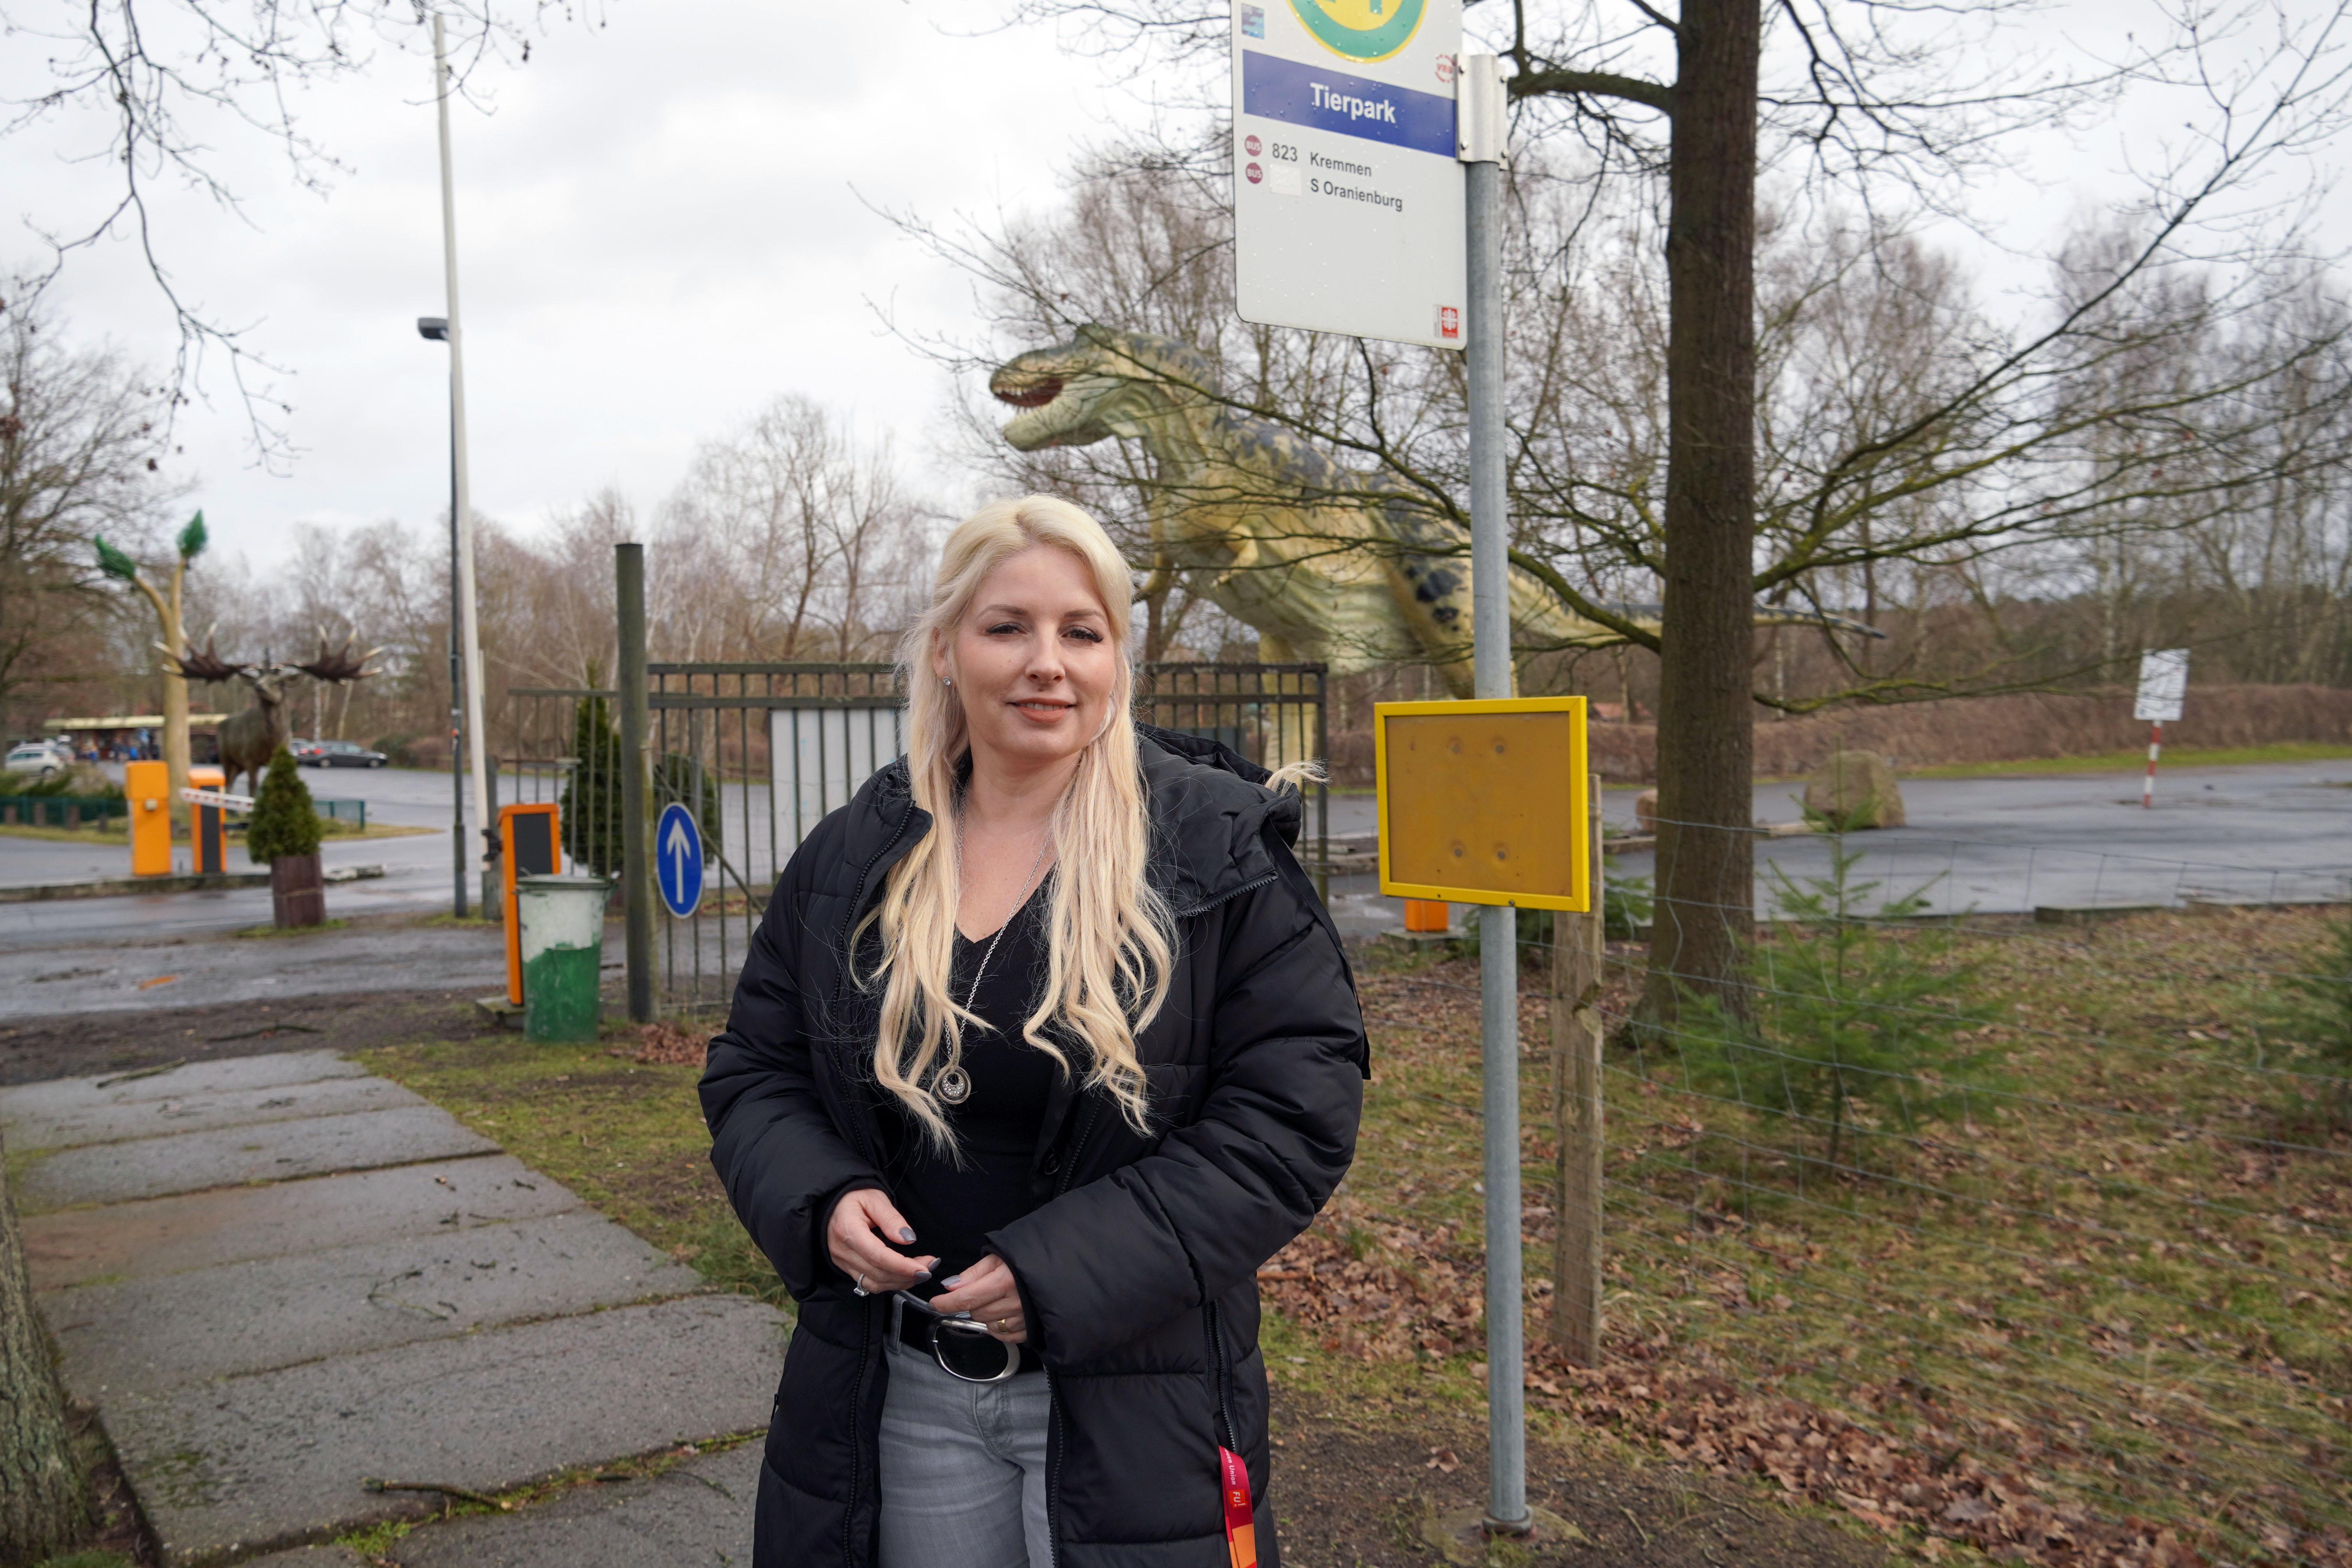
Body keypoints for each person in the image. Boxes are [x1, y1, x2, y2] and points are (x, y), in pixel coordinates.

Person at [702, 495, 1367, 1568]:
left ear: (1117, 659)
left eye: (1081, 631)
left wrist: (1063, 1272)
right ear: (945, 651)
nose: (1045, 662)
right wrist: (815, 1196)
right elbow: (754, 1071)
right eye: (1006, 627)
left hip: (1136, 1406)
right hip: (901, 1389)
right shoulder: (852, 856)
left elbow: (1290, 1117)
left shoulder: (1216, 852)